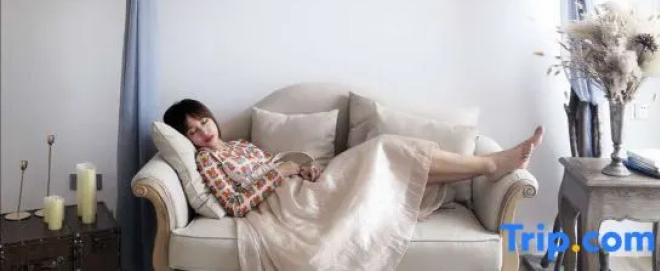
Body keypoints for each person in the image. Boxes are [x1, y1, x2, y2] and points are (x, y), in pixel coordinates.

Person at [163, 98, 543, 218]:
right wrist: (281, 173)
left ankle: (491, 165)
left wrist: (302, 168)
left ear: (211, 117)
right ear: (188, 140)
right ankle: (491, 164)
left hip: (310, 185)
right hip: (294, 206)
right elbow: (234, 205)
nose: (203, 131)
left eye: (203, 121)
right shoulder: (207, 162)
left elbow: (278, 163)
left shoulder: (242, 145)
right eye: (192, 131)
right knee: (386, 147)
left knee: (395, 160)